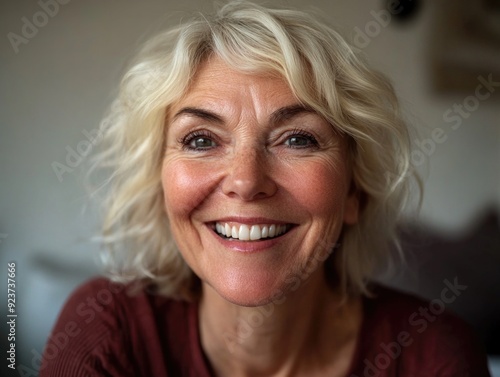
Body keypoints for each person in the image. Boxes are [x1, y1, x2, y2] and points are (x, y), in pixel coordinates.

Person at [40, 2, 491, 376]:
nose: (246, 180)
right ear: (161, 183)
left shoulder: (434, 354)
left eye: (298, 139)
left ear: (355, 192)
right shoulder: (106, 330)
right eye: (200, 140)